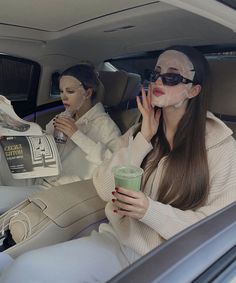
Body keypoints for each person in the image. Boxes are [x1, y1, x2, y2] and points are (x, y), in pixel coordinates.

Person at [1, 45, 235, 283]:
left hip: (173, 257)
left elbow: (217, 226)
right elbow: (104, 188)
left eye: (171, 76)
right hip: (118, 241)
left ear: (193, 90)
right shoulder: (140, 130)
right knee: (26, 269)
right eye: (155, 74)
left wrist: (150, 211)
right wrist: (143, 138)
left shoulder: (221, 147)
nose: (158, 81)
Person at [0, 63, 121, 212]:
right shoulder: (64, 116)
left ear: (88, 93)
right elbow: (43, 141)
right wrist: (12, 135)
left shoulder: (106, 126)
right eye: (61, 91)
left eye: (70, 91)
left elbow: (115, 167)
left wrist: (76, 135)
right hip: (40, 175)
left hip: (60, 190)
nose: (63, 97)